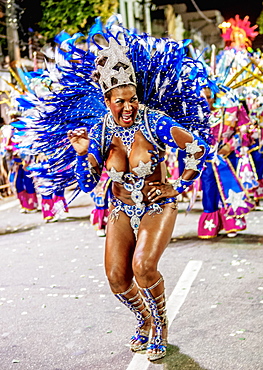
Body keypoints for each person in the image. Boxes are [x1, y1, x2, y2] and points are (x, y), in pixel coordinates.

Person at [67, 36, 210, 361]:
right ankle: (143, 318)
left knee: (143, 266)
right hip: (120, 209)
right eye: (120, 101)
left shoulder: (154, 120)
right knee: (117, 277)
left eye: (132, 99)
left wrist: (179, 186)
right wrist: (82, 154)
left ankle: (160, 324)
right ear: (107, 101)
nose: (128, 107)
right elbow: (88, 182)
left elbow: (197, 148)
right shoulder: (101, 130)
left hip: (158, 206)